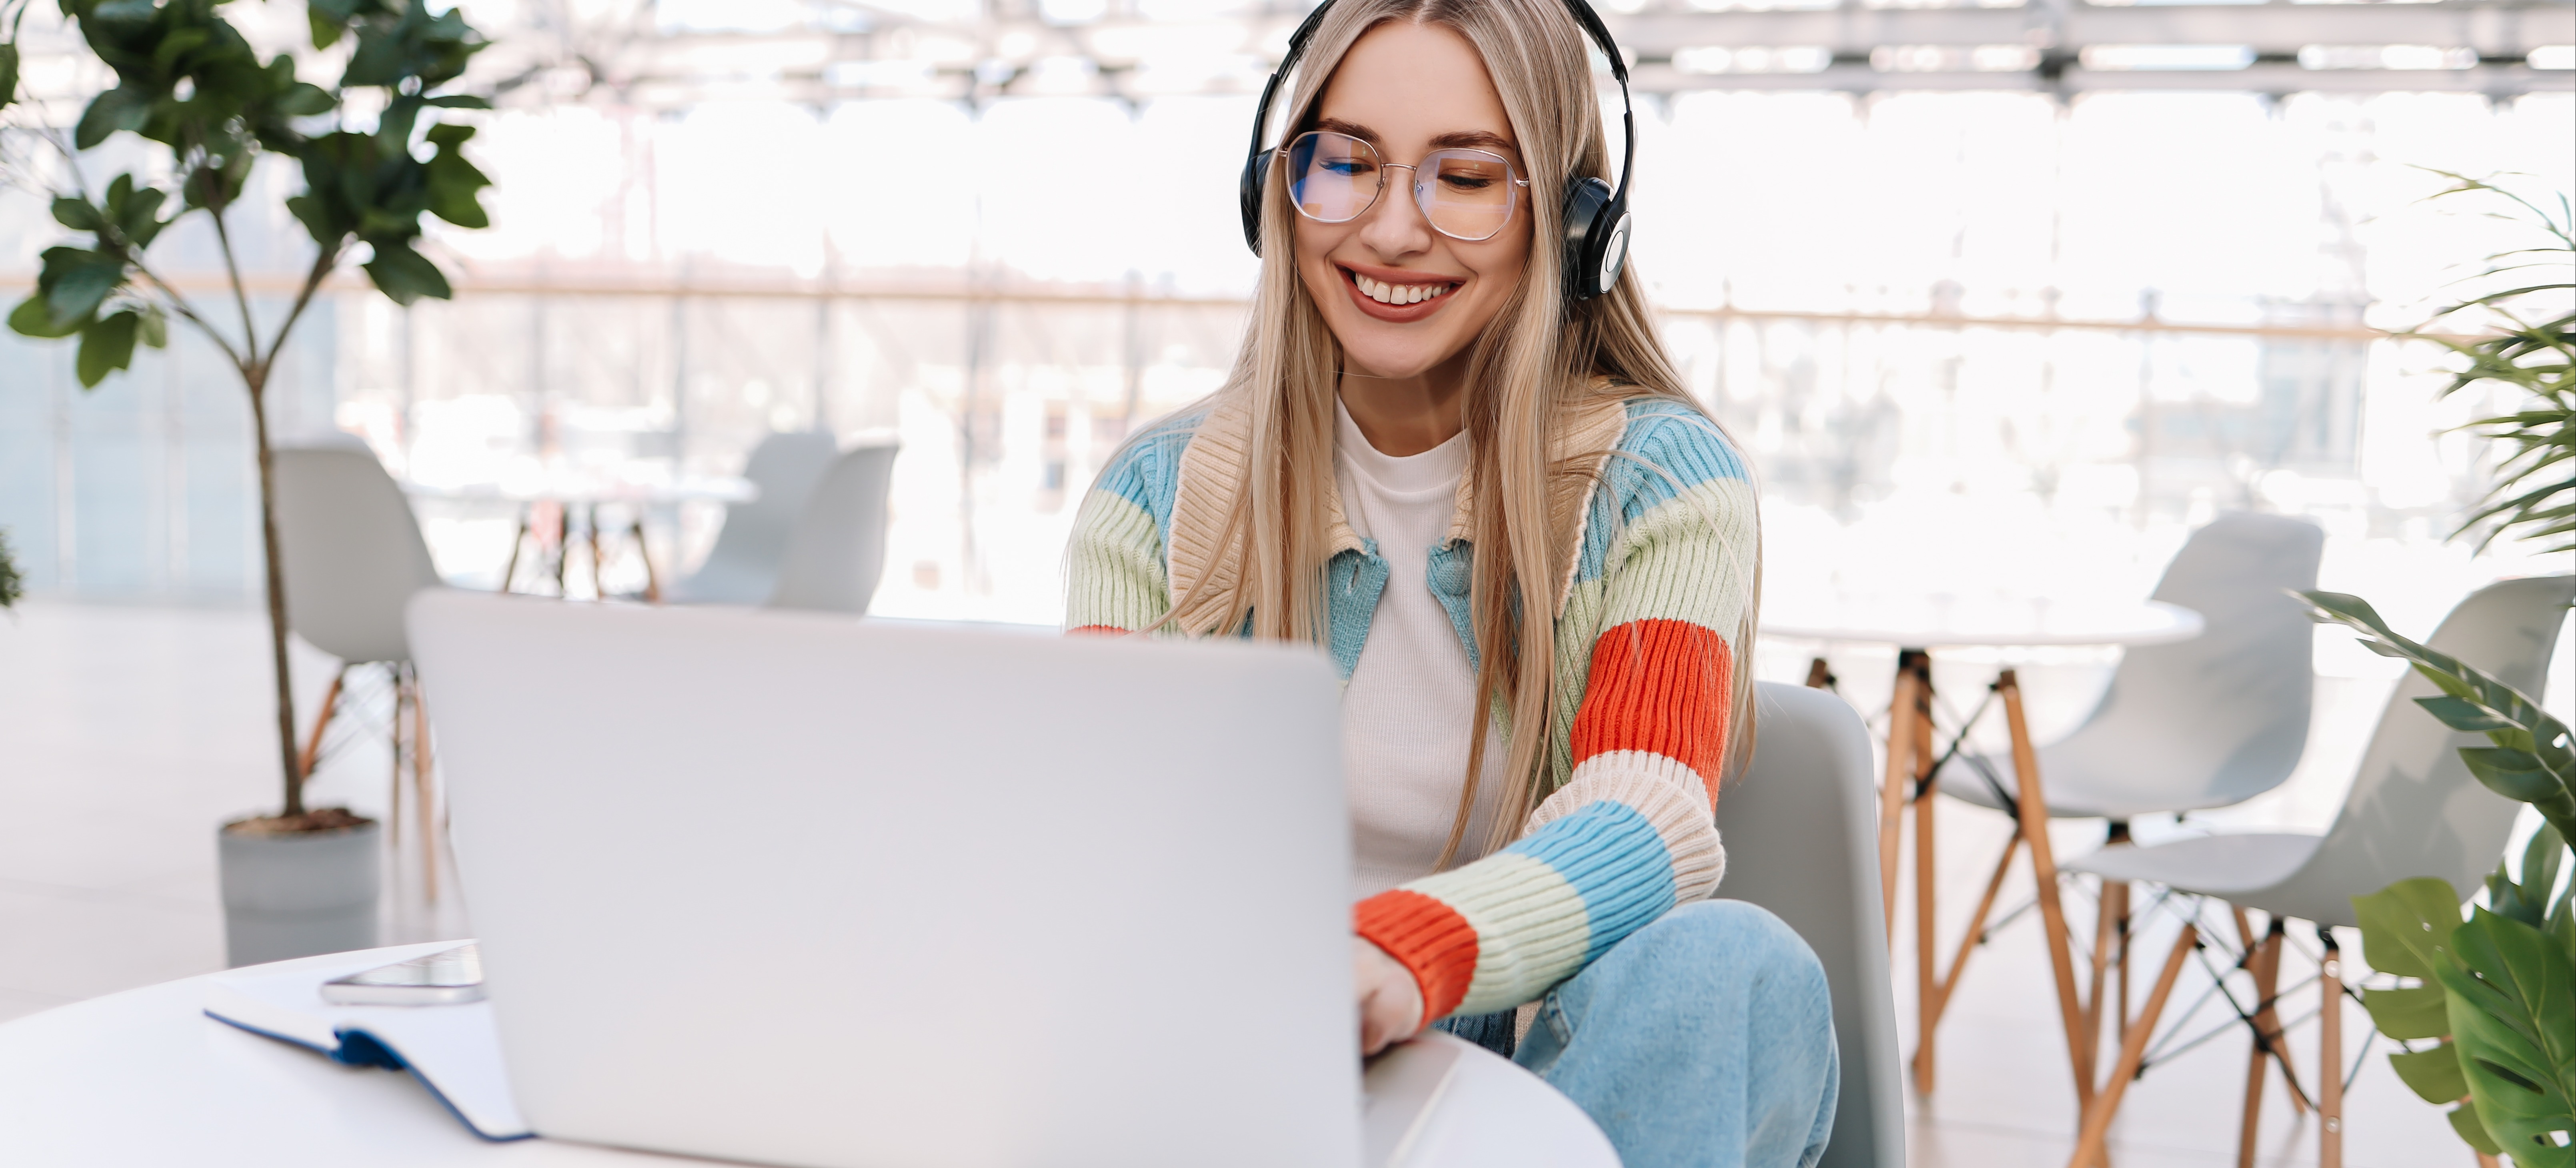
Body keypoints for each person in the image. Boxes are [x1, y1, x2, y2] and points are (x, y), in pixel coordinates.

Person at [1065, 0, 1839, 1163]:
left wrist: (1399, 954)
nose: (1391, 230)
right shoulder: (1152, 499)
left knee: (1730, 967)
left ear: (1578, 226)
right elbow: (1106, 836)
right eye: (1350, 164)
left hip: (1553, 1087)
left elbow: (1650, 810)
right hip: (1247, 1086)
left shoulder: (1666, 486)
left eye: (1465, 179)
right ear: (1280, 186)